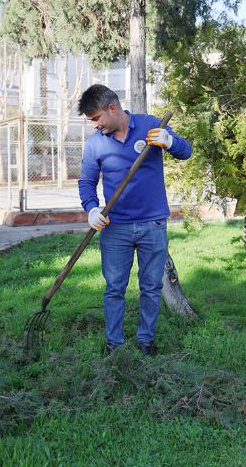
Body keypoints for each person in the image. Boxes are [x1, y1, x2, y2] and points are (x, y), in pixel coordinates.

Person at [77, 84, 192, 354]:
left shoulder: (151, 127)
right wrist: (92, 209)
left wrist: (170, 141)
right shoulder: (95, 144)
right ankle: (114, 345)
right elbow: (87, 182)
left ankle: (145, 341)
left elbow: (186, 152)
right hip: (115, 227)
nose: (94, 125)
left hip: (153, 224)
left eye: (96, 118)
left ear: (113, 108)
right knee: (115, 287)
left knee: (151, 286)